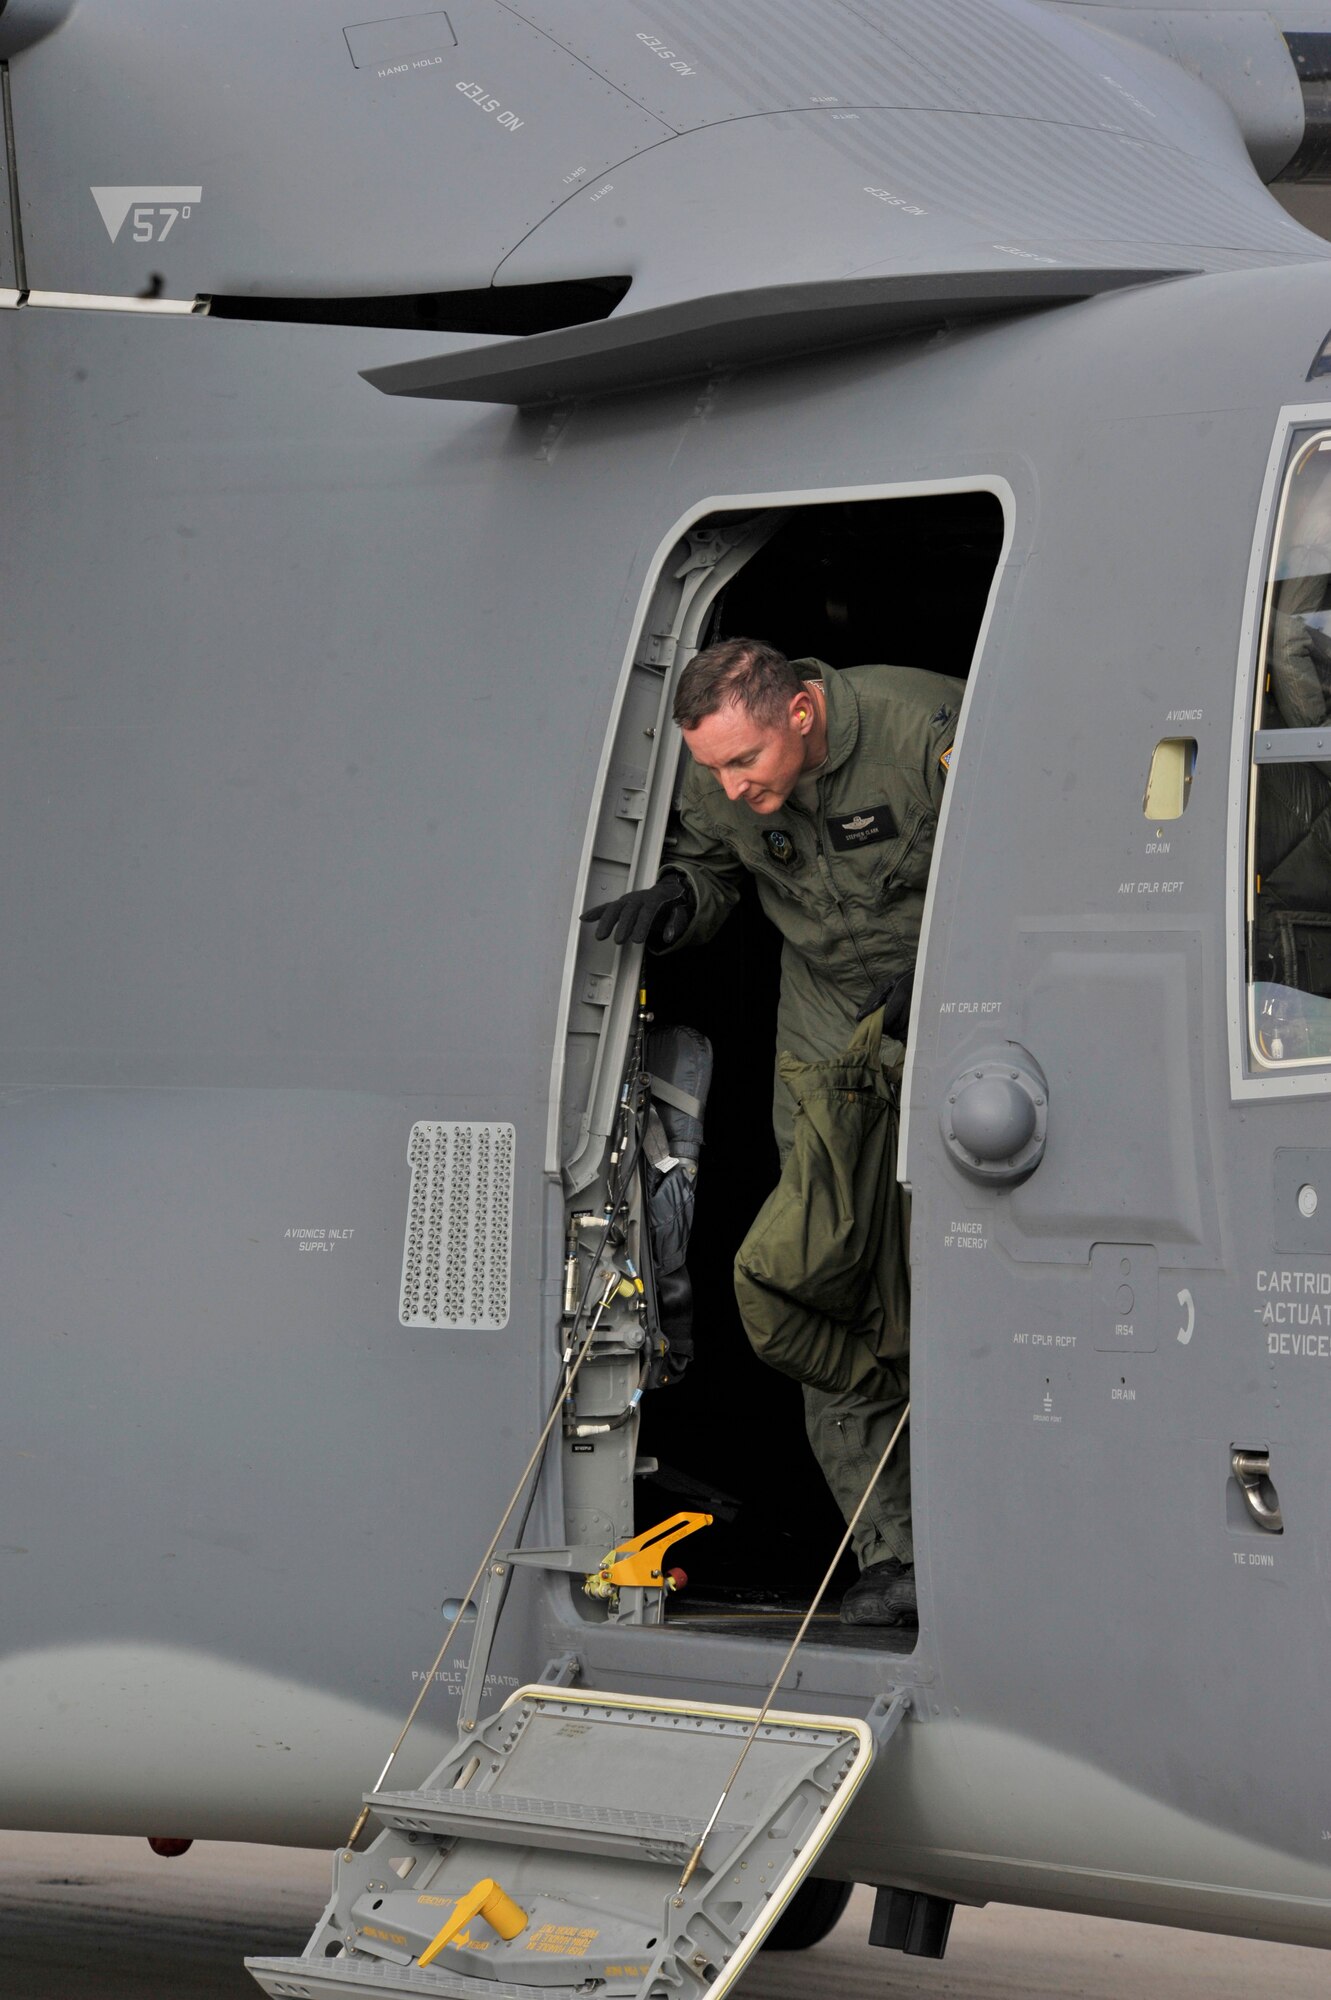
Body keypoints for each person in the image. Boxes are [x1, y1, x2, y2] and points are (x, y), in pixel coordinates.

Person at [582, 638, 962, 1625]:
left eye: (741, 760)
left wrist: (950, 971)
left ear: (800, 711)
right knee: (819, 1267)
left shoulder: (923, 728)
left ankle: (995, 1534)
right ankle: (891, 1549)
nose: (728, 784)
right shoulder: (724, 787)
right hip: (830, 1008)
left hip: (961, 988)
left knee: (960, 1258)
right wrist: (679, 901)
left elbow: (1044, 849)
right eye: (710, 767)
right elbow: (713, 872)